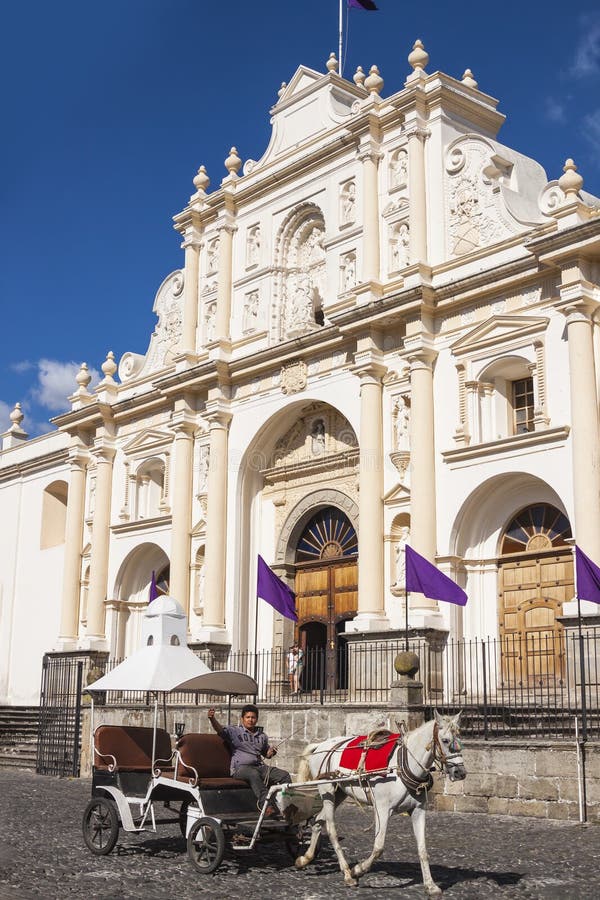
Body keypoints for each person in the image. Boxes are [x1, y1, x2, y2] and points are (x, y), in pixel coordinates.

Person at [207, 704, 290, 817]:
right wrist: (212, 719)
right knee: (253, 773)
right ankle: (266, 806)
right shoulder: (235, 731)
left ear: (256, 719)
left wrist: (271, 752)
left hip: (260, 767)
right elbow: (220, 729)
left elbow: (266, 754)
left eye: (253, 717)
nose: (250, 720)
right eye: (248, 717)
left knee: (284, 775)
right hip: (240, 769)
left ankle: (287, 805)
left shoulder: (262, 736)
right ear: (242, 719)